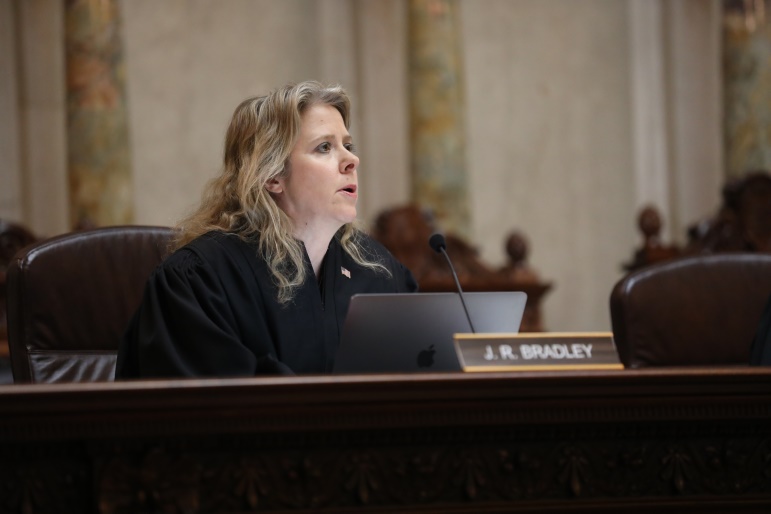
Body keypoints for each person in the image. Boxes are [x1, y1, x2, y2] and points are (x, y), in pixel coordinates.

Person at [116, 81, 418, 378]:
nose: (352, 160)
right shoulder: (199, 280)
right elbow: (217, 412)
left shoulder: (379, 271)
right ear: (273, 175)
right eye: (324, 147)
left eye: (348, 146)